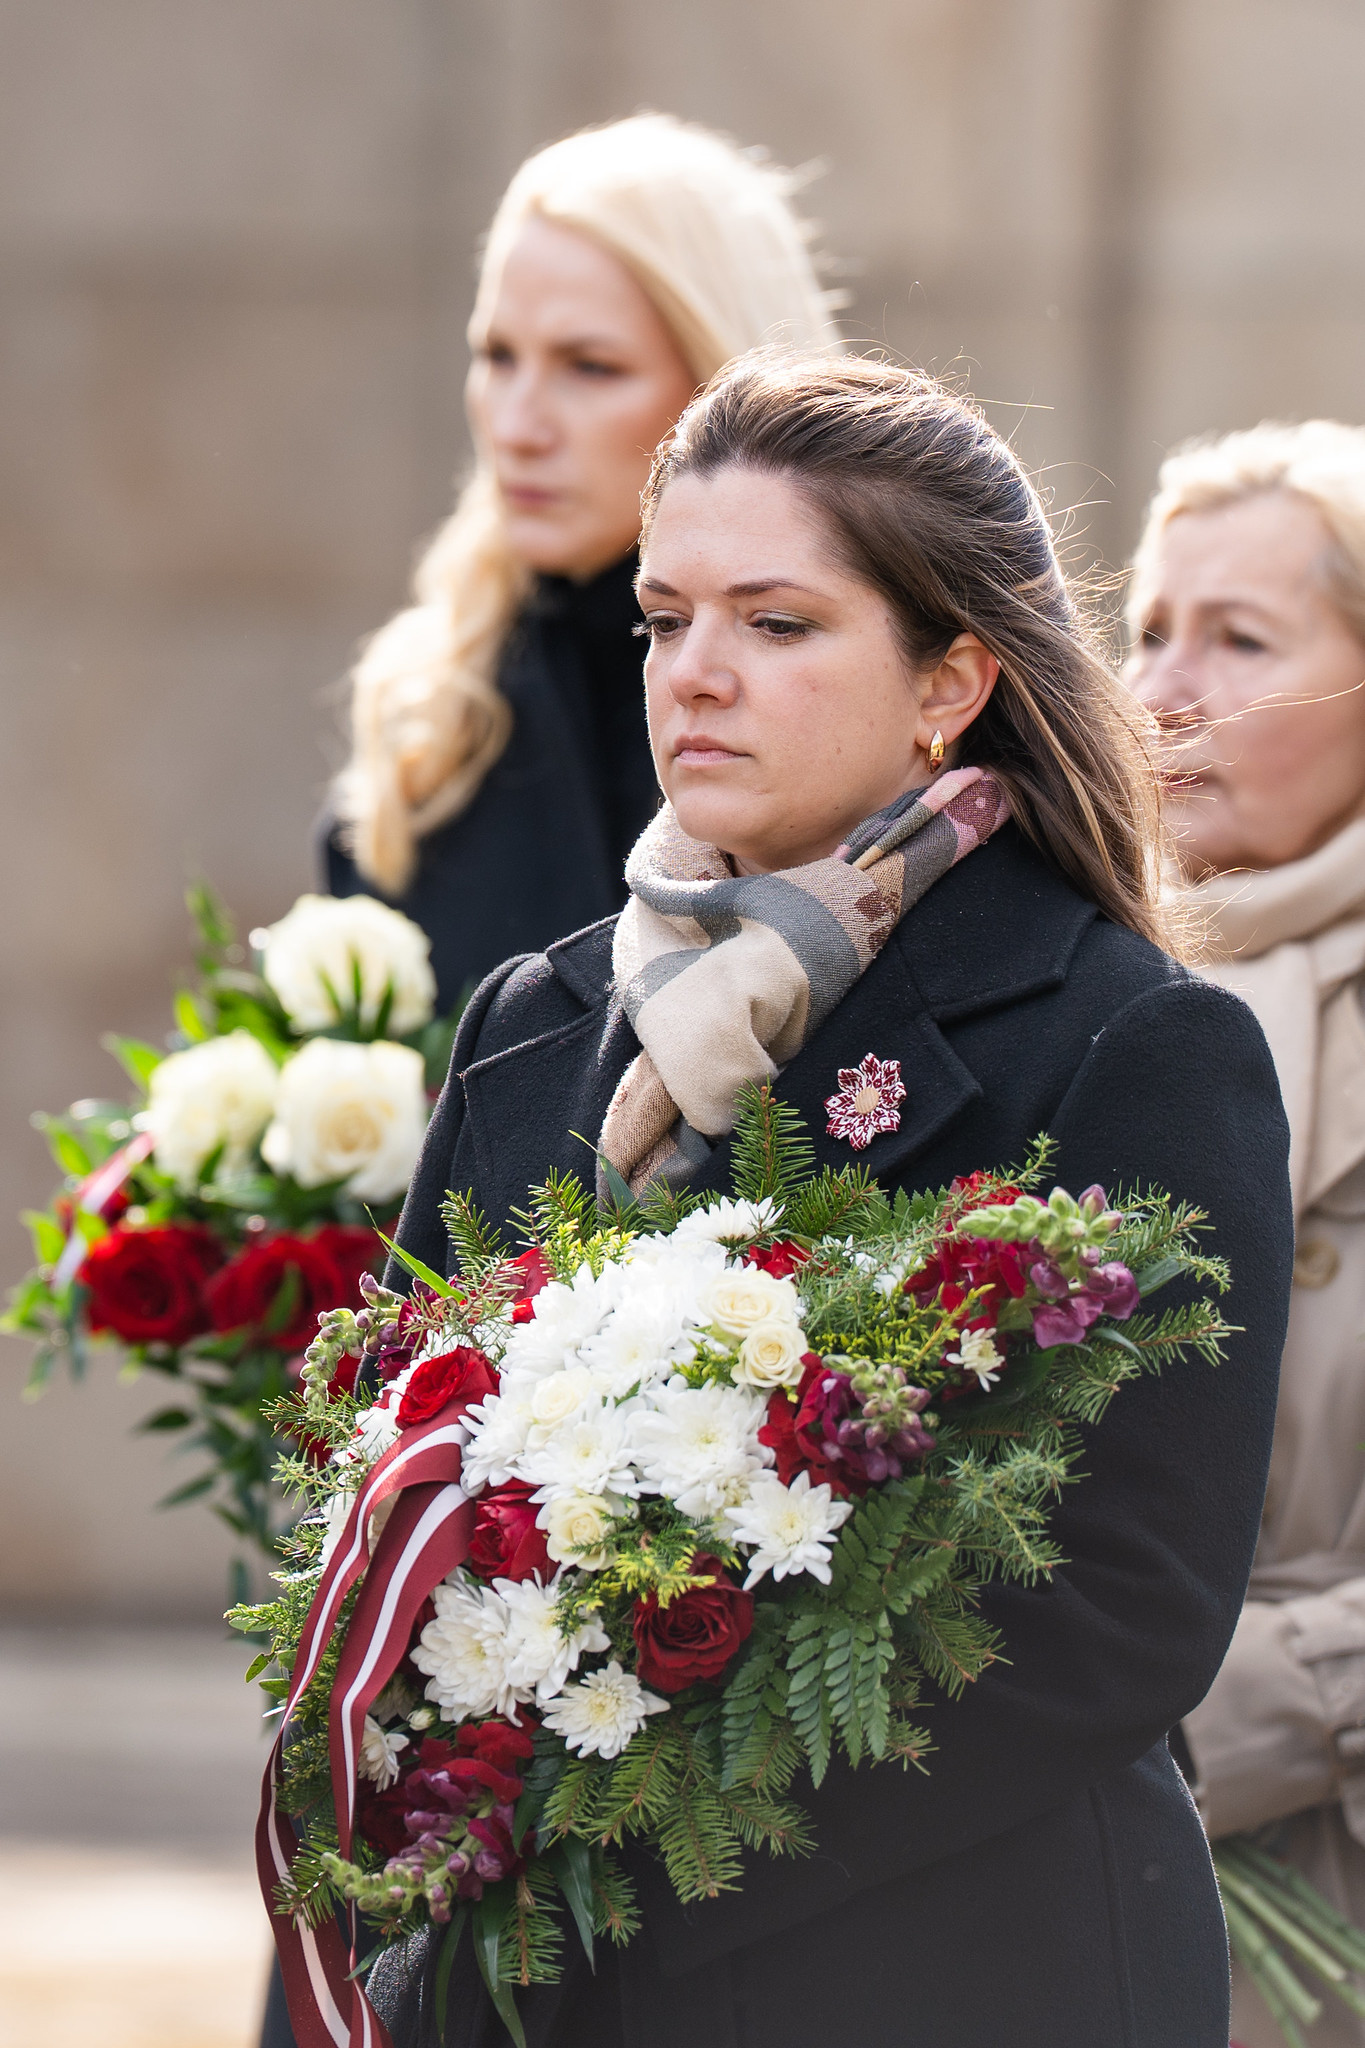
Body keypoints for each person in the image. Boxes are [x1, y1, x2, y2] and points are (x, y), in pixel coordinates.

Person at [368, 355, 1293, 2048]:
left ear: (950, 680)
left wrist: (641, 1844)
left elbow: (1122, 1610)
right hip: (542, 1991)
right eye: (664, 619)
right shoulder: (533, 1021)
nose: (695, 672)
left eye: (777, 623)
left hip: (952, 1975)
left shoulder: (1128, 1039)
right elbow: (385, 1491)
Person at [323, 114, 841, 1012]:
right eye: (497, 356)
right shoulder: (432, 716)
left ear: (723, 389)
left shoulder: (849, 703)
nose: (517, 424)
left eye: (589, 366)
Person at [1127, 420, 1365, 2048]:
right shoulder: (1063, 975)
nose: (1162, 689)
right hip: (1075, 1867)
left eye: (1240, 638)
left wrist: (1227, 1719)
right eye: (1148, 628)